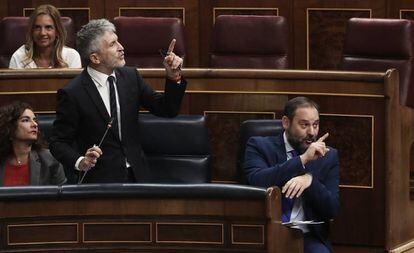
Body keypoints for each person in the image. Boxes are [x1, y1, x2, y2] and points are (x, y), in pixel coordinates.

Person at [49, 19, 186, 184]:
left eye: (118, 41)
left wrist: (174, 77)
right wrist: (81, 162)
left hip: (138, 176)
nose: (121, 47)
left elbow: (167, 109)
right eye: (113, 44)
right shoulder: (73, 93)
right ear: (95, 58)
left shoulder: (131, 77)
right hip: (100, 181)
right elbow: (58, 142)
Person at [243, 97, 339, 253]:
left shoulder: (328, 156)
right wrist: (302, 160)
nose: (312, 132)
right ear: (286, 122)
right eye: (304, 125)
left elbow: (332, 209)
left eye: (315, 125)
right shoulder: (259, 145)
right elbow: (257, 181)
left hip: (305, 237)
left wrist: (310, 180)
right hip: (265, 235)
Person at [0, 101, 66, 186]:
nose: (34, 124)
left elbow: (63, 196)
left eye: (35, 120)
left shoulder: (49, 160)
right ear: (9, 127)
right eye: (26, 120)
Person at [9, 4, 81, 69]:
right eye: (37, 27)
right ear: (32, 31)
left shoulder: (71, 56)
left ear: (57, 31)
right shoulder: (19, 57)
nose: (42, 33)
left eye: (48, 27)